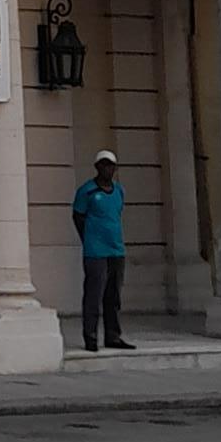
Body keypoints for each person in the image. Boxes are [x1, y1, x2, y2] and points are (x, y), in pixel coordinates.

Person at [72, 150, 132, 351]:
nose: (107, 169)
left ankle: (113, 336)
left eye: (111, 165)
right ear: (97, 167)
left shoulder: (119, 191)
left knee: (113, 296)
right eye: (104, 165)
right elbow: (78, 216)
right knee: (93, 295)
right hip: (95, 251)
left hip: (116, 249)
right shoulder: (86, 191)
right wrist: (89, 238)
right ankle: (90, 337)